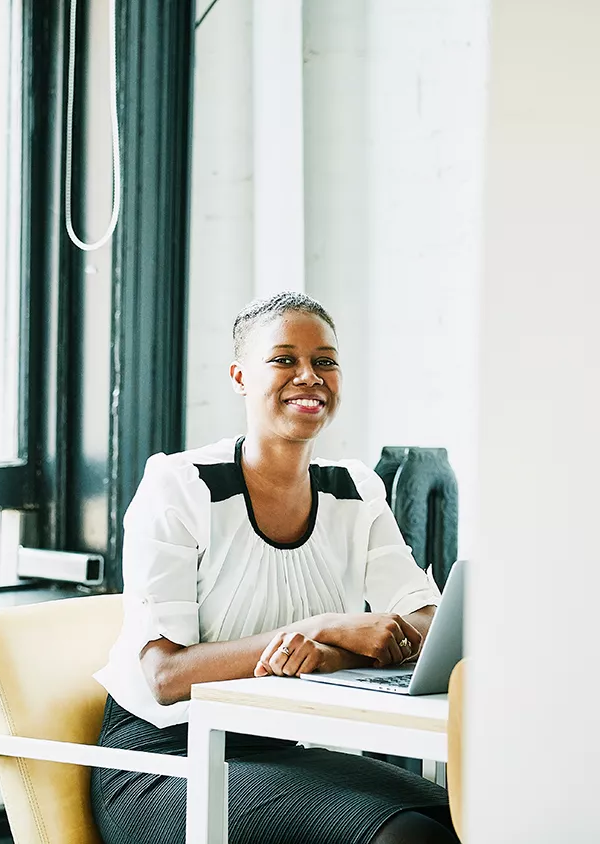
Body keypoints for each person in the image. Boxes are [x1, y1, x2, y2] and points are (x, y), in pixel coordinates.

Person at [91, 291, 458, 844]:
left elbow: (429, 625)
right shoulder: (180, 486)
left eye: (325, 361)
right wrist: (318, 630)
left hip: (286, 746)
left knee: (480, 818)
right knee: (408, 838)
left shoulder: (355, 489)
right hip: (166, 764)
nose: (308, 376)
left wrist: (331, 651)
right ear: (241, 377)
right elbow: (166, 677)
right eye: (284, 359)